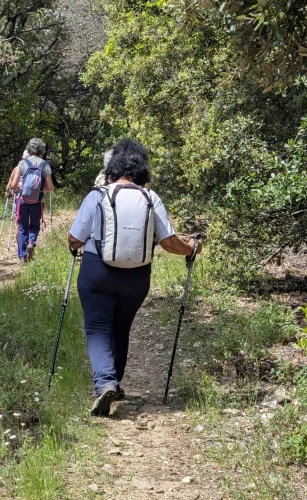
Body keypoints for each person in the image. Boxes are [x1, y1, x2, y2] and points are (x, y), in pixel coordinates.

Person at [67, 139, 201, 417]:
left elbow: (75, 238)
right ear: (142, 169)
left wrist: (75, 245)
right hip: (137, 277)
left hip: (97, 272)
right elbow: (169, 242)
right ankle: (114, 381)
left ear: (112, 167)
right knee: (121, 327)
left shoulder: (97, 195)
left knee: (98, 328)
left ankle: (106, 383)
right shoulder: (151, 198)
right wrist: (191, 248)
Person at [5, 138, 54, 263]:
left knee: (22, 227)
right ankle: (31, 241)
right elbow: (50, 187)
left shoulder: (22, 163)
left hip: (22, 200)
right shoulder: (45, 164)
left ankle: (22, 256)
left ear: (29, 148)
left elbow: (14, 185)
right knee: (35, 225)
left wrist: (16, 190)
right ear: (42, 149)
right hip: (37, 201)